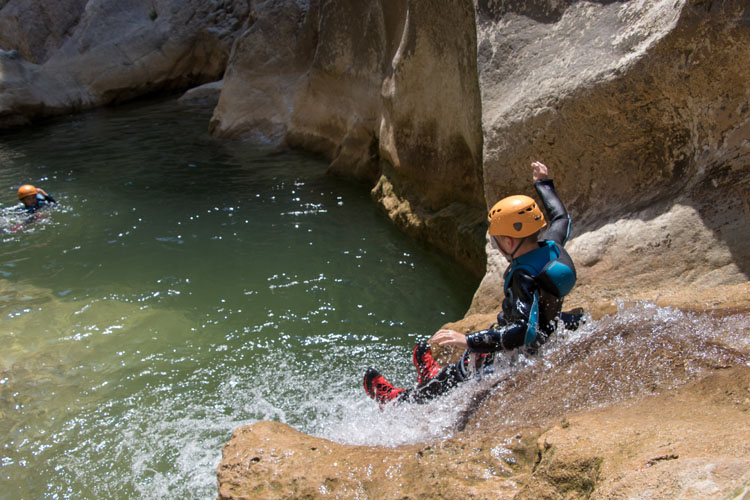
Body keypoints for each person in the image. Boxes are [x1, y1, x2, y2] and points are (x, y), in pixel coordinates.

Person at [364, 161, 578, 407]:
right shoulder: (552, 247)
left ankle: (396, 399)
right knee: (477, 350)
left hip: (517, 351)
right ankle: (430, 375)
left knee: (457, 374)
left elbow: (523, 331)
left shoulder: (524, 276)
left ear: (508, 243)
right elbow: (561, 217)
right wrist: (543, 183)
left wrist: (470, 341)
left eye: (496, 239)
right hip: (546, 328)